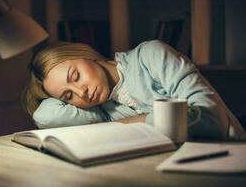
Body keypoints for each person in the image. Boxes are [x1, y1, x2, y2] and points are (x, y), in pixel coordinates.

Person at [23, 40, 246, 140]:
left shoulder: (151, 55)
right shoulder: (101, 111)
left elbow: (213, 121)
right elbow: (44, 115)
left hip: (230, 160)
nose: (82, 93)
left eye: (75, 76)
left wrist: (120, 126)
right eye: (68, 96)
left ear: (85, 53)